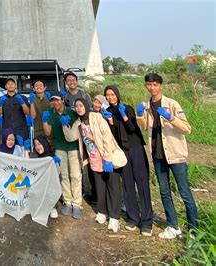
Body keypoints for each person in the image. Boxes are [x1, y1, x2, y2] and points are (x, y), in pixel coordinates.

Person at [136, 73, 198, 239]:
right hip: (158, 155)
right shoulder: (145, 104)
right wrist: (139, 114)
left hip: (175, 155)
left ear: (161, 86)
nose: (152, 88)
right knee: (164, 192)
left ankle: (193, 231)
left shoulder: (172, 104)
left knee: (185, 193)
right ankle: (173, 226)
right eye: (149, 84)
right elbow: (142, 127)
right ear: (146, 86)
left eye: (155, 84)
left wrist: (171, 118)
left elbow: (187, 128)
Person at [62, 98, 126, 232]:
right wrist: (65, 125)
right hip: (94, 160)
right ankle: (102, 212)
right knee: (100, 187)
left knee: (113, 187)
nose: (79, 108)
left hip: (107, 157)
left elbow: (107, 137)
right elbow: (70, 137)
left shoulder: (96, 117)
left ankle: (114, 217)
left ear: (86, 106)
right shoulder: (78, 123)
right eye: (76, 106)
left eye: (81, 105)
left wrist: (107, 158)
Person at [104, 85, 153, 236]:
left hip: (136, 148)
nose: (110, 97)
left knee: (142, 183)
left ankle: (146, 221)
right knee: (128, 184)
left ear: (117, 95)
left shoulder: (127, 108)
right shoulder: (108, 113)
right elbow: (113, 136)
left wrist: (124, 115)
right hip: (122, 151)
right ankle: (132, 218)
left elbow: (132, 129)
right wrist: (111, 122)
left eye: (112, 94)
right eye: (107, 95)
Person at [43, 95, 82, 219]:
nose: (56, 102)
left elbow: (79, 127)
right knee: (64, 175)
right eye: (53, 100)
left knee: (75, 175)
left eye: (58, 100)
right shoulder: (50, 113)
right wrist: (44, 120)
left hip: (73, 147)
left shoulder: (71, 112)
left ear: (62, 100)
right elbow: (48, 133)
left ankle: (77, 204)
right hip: (59, 147)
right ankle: (68, 201)